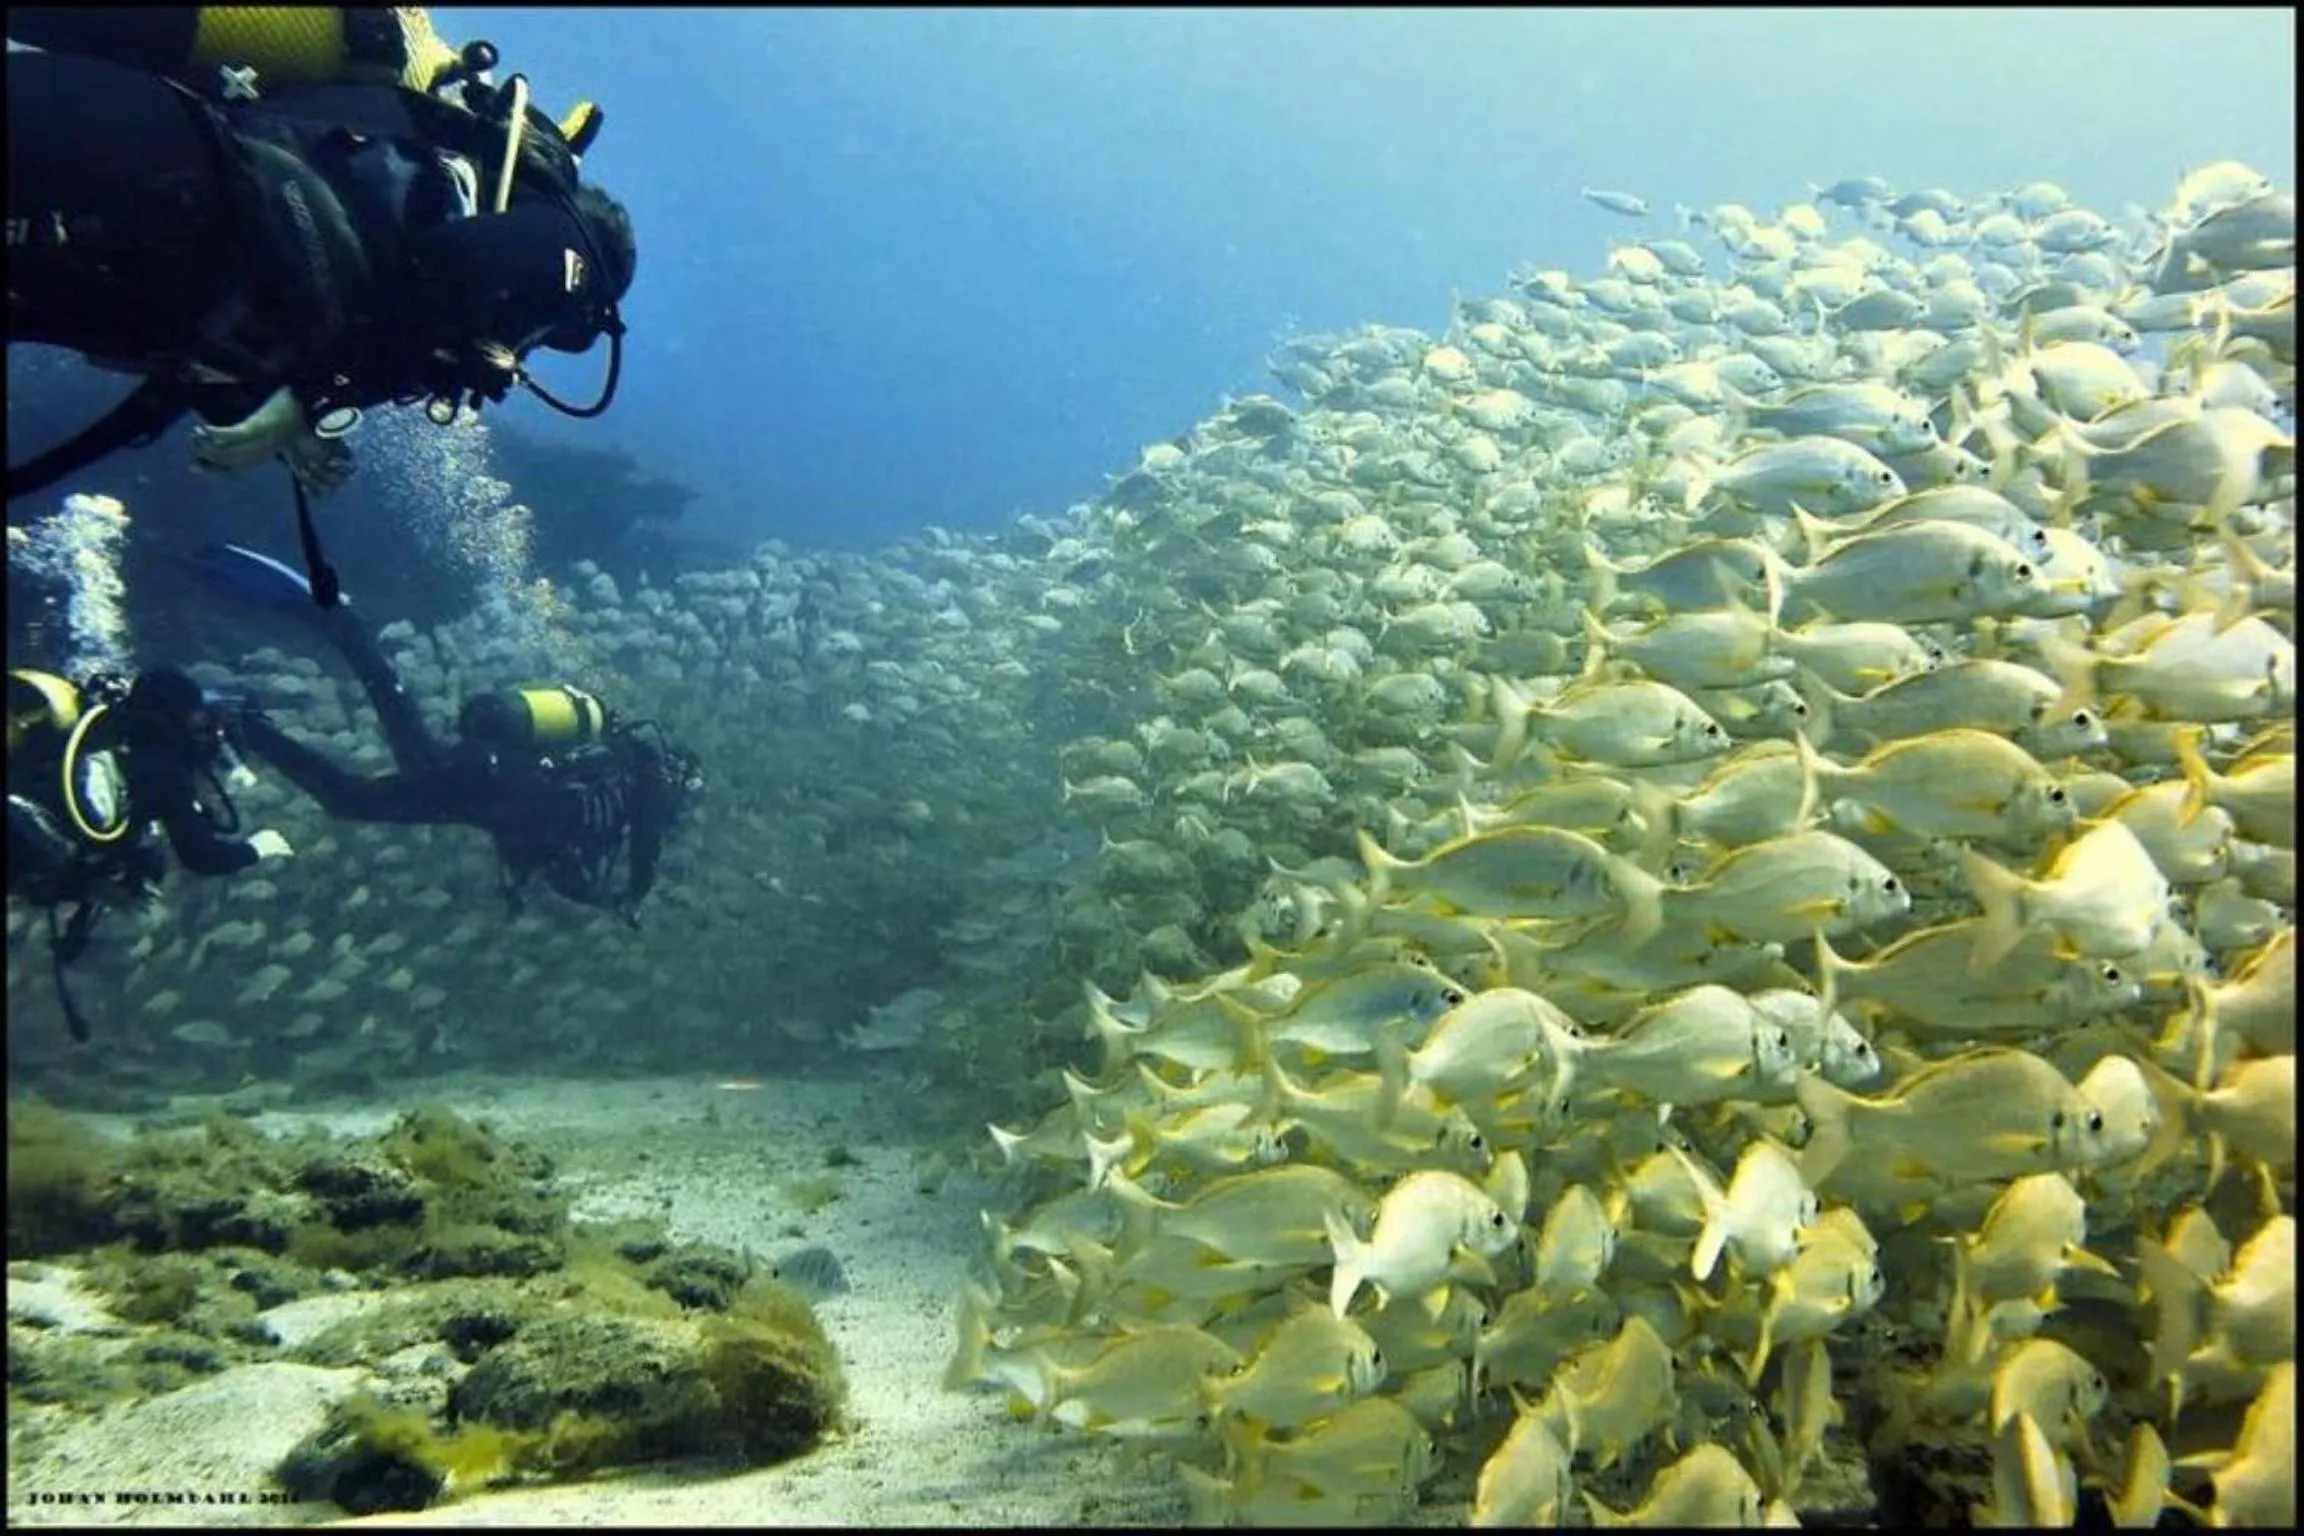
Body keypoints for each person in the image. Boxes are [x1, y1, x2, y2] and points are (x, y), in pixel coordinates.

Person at [6, 6, 636, 606]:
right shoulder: (576, 250)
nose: (527, 346)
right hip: (168, 171)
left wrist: (286, 411)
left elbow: (276, 310)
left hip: (143, 209)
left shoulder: (393, 263)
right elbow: (454, 265)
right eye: (560, 335)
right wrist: (317, 398)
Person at [195, 543, 704, 926]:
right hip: (488, 780)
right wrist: (634, 896)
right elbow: (646, 848)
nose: (680, 809)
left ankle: (259, 712)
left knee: (359, 787)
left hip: (481, 794)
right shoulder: (647, 777)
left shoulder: (611, 800)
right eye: (688, 794)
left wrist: (602, 900)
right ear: (679, 773)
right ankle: (334, 630)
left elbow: (562, 872)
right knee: (368, 782)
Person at [7, 666, 295, 1040]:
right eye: (195, 718)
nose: (203, 730)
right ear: (173, 717)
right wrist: (256, 849)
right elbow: (201, 856)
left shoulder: (101, 734)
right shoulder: (163, 767)